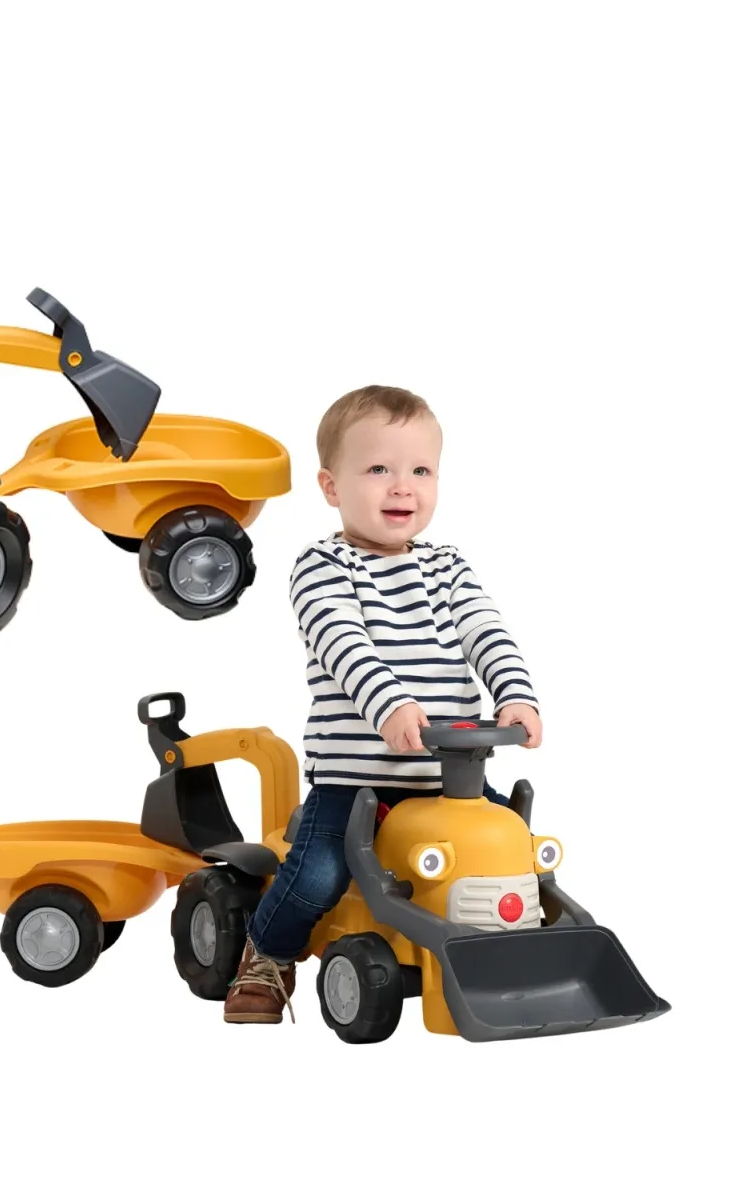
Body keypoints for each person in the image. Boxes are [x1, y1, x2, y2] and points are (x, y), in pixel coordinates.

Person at [223, 384, 543, 1025]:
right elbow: (343, 643)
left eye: (421, 470)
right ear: (331, 486)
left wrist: (515, 694)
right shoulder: (323, 566)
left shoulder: (448, 568)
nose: (403, 487)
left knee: (512, 849)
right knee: (317, 876)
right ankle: (268, 953)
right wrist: (391, 706)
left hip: (450, 784)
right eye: (378, 469)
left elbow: (486, 631)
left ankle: (521, 954)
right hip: (357, 784)